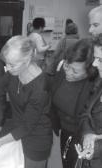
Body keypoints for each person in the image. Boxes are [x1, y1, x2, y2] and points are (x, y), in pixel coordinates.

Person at [0, 36, 53, 168]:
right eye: (6, 63)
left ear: (27, 60)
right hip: (17, 130)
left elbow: (27, 127)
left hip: (37, 139)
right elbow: (0, 86)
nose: (8, 68)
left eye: (12, 64)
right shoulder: (14, 71)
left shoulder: (40, 88)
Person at [48, 39, 96, 168]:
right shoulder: (62, 69)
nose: (68, 72)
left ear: (90, 71)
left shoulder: (94, 86)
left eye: (75, 71)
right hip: (63, 131)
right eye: (67, 66)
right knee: (65, 162)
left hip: (81, 136)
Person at [76, 6, 102, 167]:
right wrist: (88, 135)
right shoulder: (99, 81)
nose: (94, 63)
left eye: (95, 24)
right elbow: (86, 111)